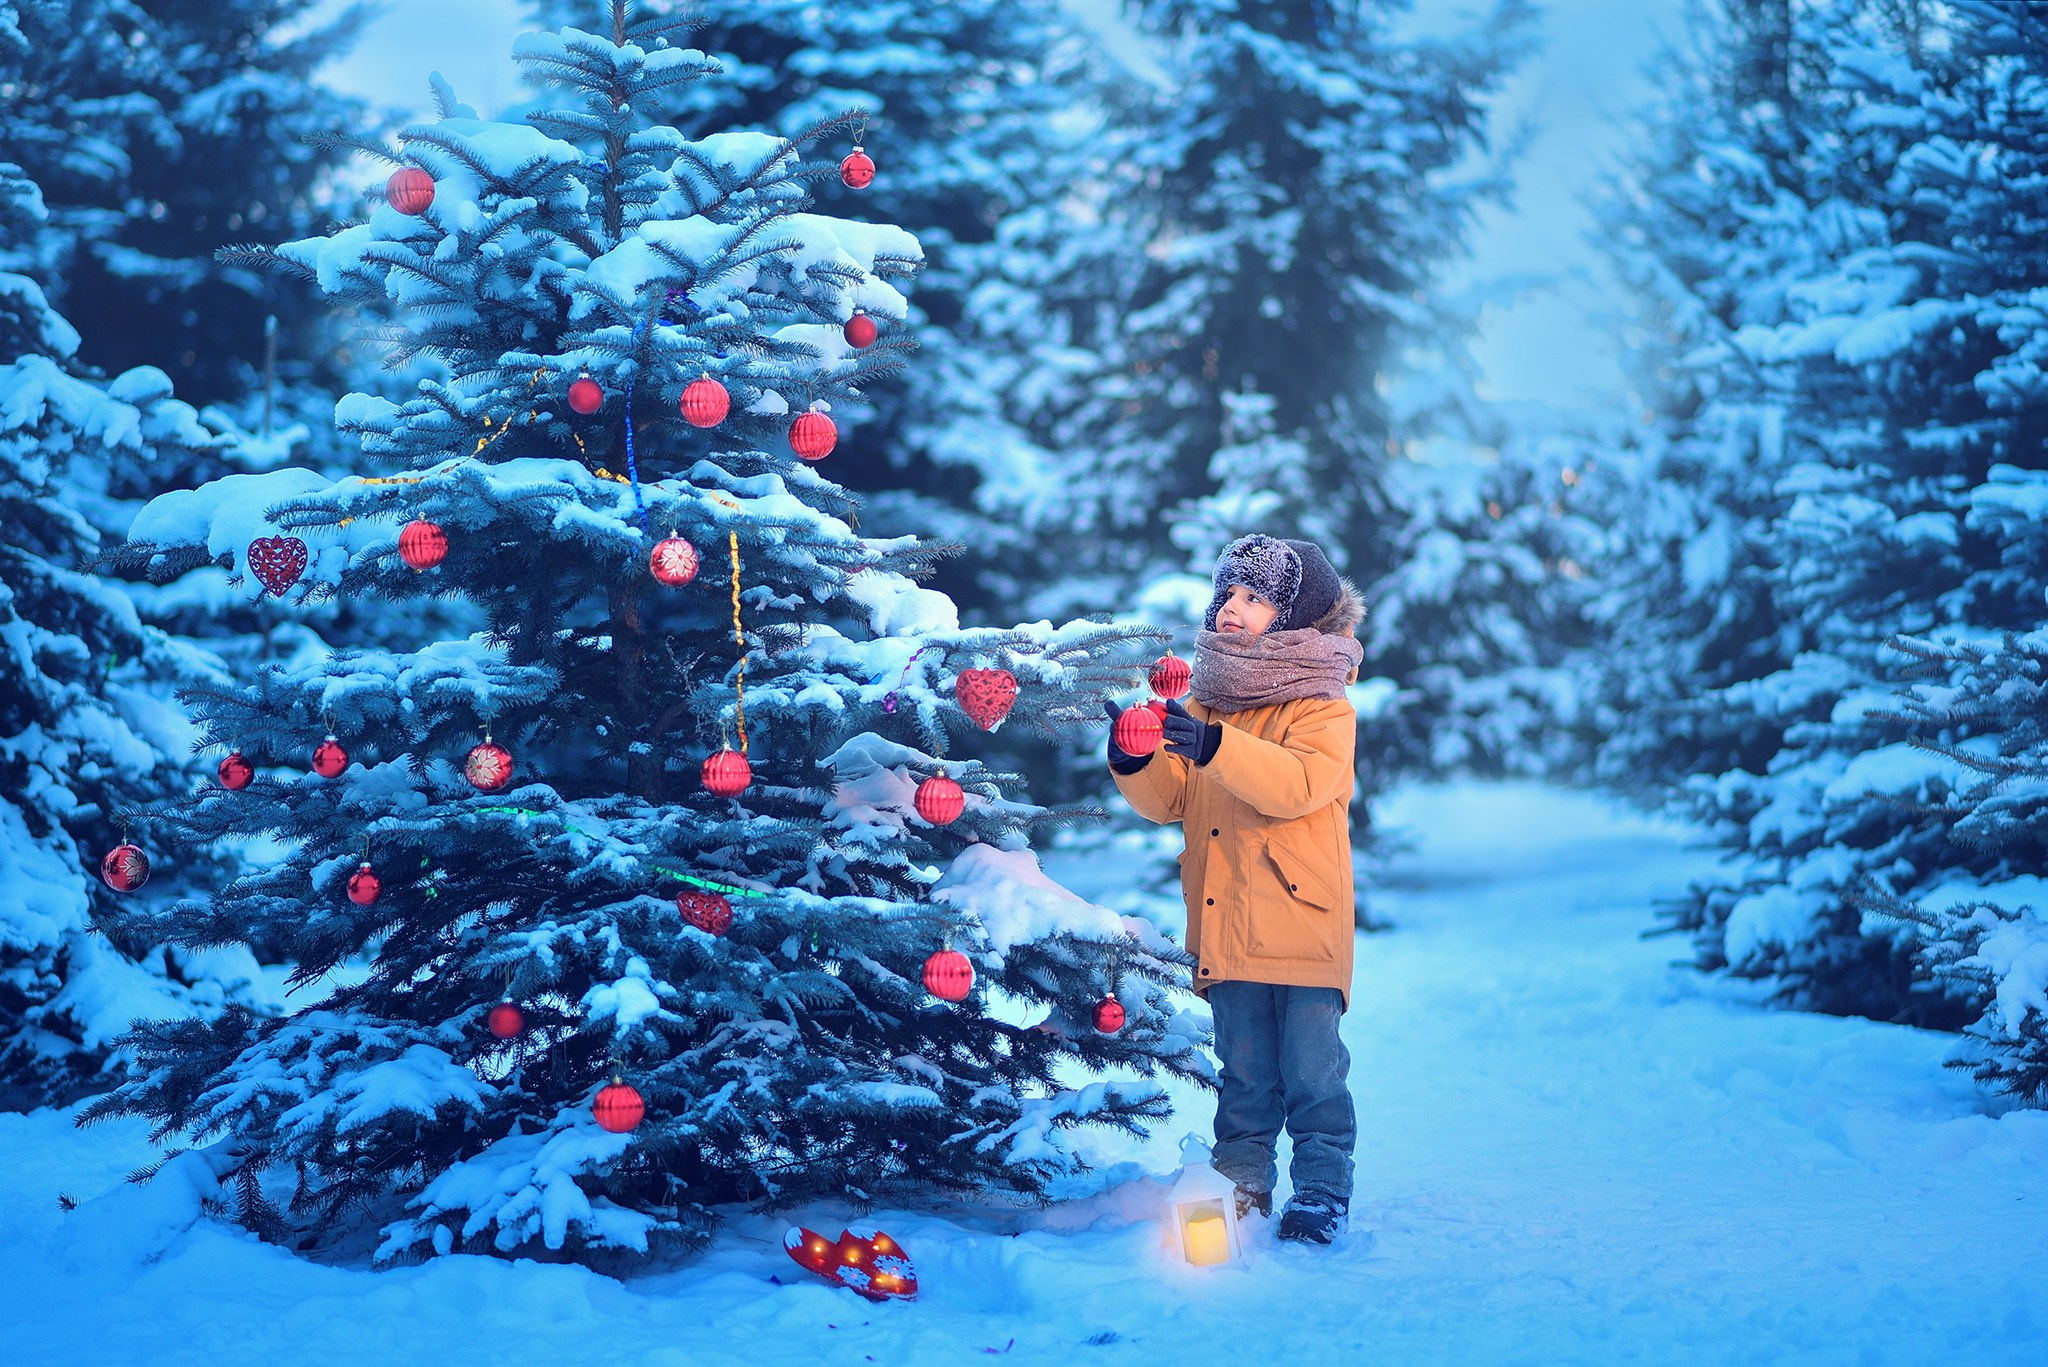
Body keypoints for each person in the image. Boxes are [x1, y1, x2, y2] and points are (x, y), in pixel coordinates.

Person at [1104, 533, 1364, 1245]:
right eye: (1226, 593)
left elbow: (1299, 784)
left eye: (1254, 597)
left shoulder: (1322, 706)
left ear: (1292, 616)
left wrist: (1216, 747)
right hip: (1227, 921)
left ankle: (1320, 1187)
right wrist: (1136, 756)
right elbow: (1174, 799)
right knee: (1244, 1072)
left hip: (1302, 923)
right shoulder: (1206, 701)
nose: (1232, 608)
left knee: (1312, 1071)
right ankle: (1243, 1179)